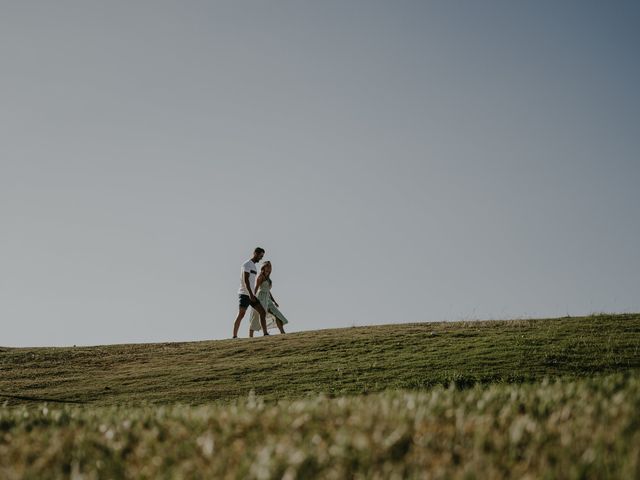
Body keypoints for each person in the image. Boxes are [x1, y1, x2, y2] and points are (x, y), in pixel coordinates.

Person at [233, 247, 269, 338]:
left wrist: (252, 294)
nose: (261, 258)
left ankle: (265, 333)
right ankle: (234, 336)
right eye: (260, 256)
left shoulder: (254, 266)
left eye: (262, 256)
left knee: (262, 312)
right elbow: (246, 280)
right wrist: (250, 294)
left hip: (251, 294)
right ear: (255, 253)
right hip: (245, 294)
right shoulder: (247, 264)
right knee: (241, 314)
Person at [249, 261, 288, 337]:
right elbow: (256, 287)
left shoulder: (268, 278)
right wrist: (252, 297)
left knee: (277, 314)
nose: (269, 268)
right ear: (263, 267)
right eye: (267, 266)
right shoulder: (260, 276)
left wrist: (274, 301)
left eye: (270, 266)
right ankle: (251, 336)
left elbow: (268, 291)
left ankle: (283, 333)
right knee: (256, 317)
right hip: (260, 298)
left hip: (268, 299)